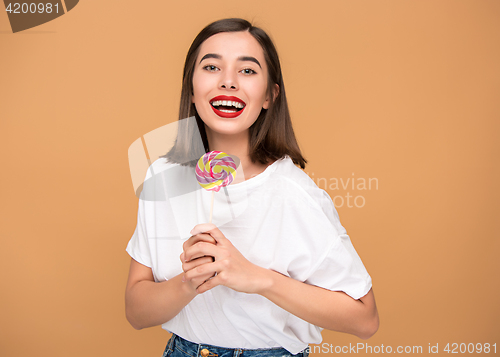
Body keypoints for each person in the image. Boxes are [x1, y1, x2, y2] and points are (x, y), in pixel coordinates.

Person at [125, 18, 379, 357]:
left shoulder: (293, 192)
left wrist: (257, 278)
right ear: (191, 88)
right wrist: (191, 280)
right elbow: (136, 313)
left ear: (270, 96)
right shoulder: (163, 178)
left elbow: (365, 319)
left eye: (247, 71)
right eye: (212, 66)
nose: (227, 81)